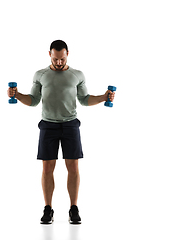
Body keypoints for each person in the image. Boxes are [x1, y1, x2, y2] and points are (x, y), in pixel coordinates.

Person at [7, 40, 115, 224]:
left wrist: (104, 97)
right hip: (48, 126)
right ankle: (48, 209)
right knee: (47, 168)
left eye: (62, 59)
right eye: (55, 58)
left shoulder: (77, 75)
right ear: (49, 54)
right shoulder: (40, 75)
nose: (59, 62)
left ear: (68, 54)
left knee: (73, 167)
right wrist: (16, 95)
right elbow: (33, 100)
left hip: (70, 125)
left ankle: (73, 208)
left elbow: (84, 99)